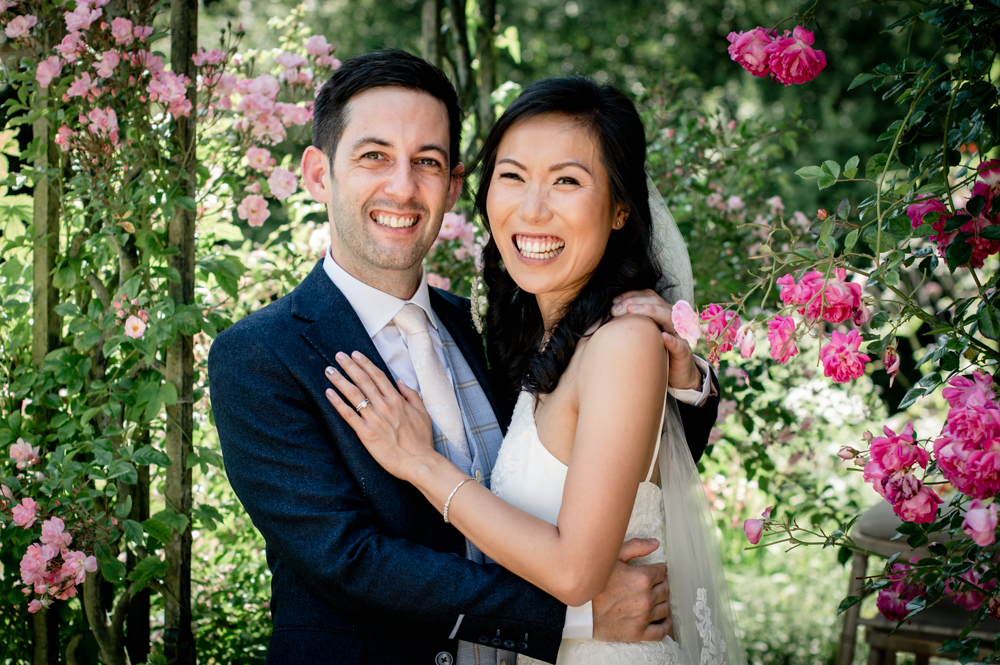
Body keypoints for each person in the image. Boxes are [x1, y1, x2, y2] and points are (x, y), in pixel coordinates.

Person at [208, 49, 719, 665]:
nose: (402, 187)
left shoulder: (487, 326)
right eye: (374, 157)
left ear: (453, 185)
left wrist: (683, 379)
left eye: (426, 162)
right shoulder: (261, 355)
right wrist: (572, 619)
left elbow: (610, 467)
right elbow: (347, 561)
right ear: (319, 173)